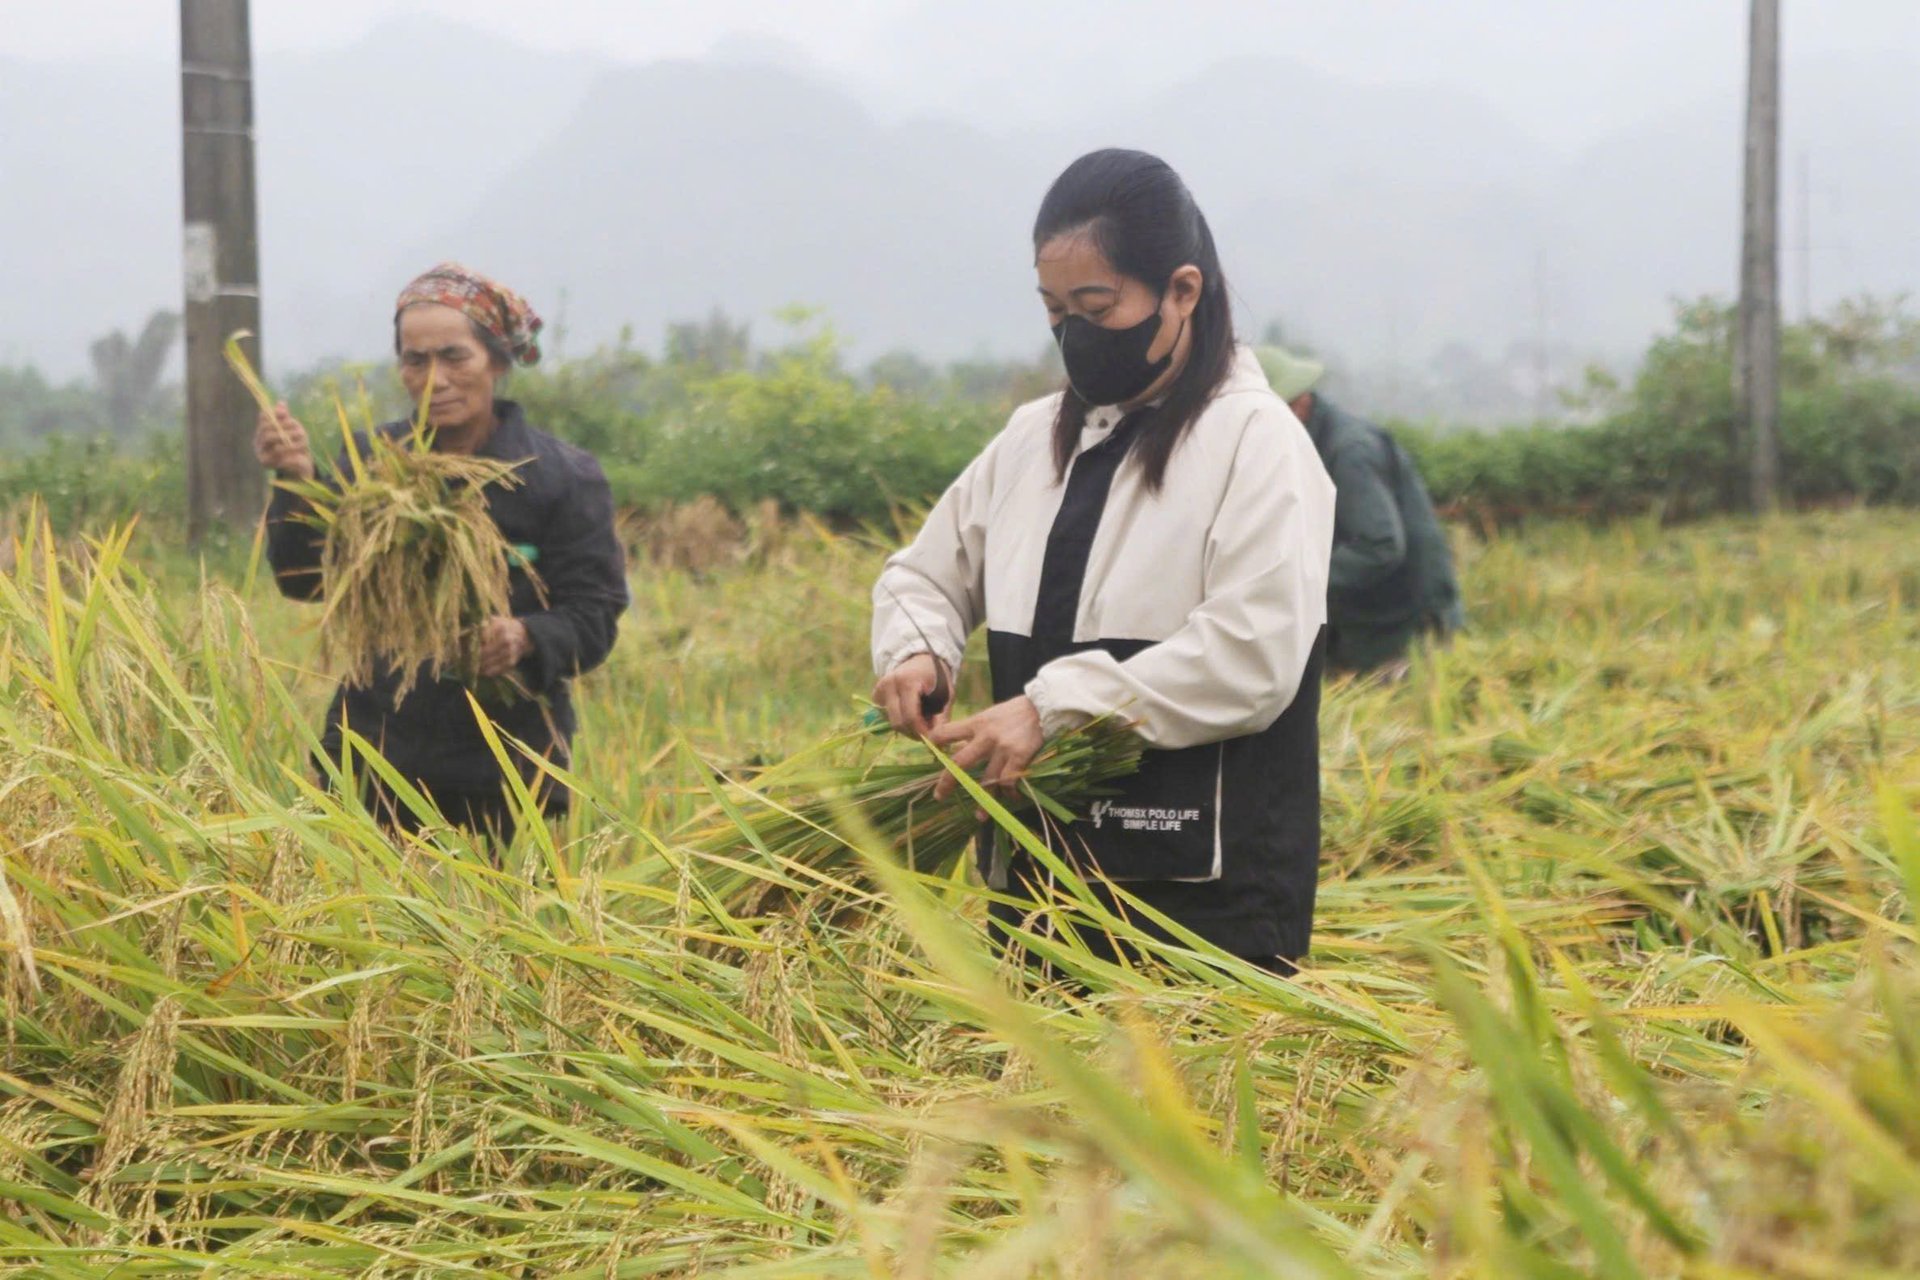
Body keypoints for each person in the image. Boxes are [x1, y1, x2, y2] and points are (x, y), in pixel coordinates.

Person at [871, 149, 1335, 972]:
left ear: (1182, 291)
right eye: (1055, 309)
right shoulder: (1029, 440)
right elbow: (924, 574)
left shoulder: (1255, 442)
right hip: (1039, 871)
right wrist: (918, 648)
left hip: (1201, 896)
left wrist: (1054, 706)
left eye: (1097, 304)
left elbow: (1253, 655)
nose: (1074, 333)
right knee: (1043, 1095)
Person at [255, 262, 628, 841]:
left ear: (497, 362)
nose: (435, 378)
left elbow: (595, 616)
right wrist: (295, 480)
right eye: (415, 360)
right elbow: (305, 579)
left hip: (507, 771)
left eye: (455, 357)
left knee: (500, 928)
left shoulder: (561, 478)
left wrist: (525, 637)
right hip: (375, 755)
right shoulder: (370, 463)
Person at [1258, 347, 1464, 679]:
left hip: (1401, 625)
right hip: (1366, 621)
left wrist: (1294, 580)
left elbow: (1379, 545)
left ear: (1297, 404)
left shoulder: (1350, 452)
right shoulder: (1308, 445)